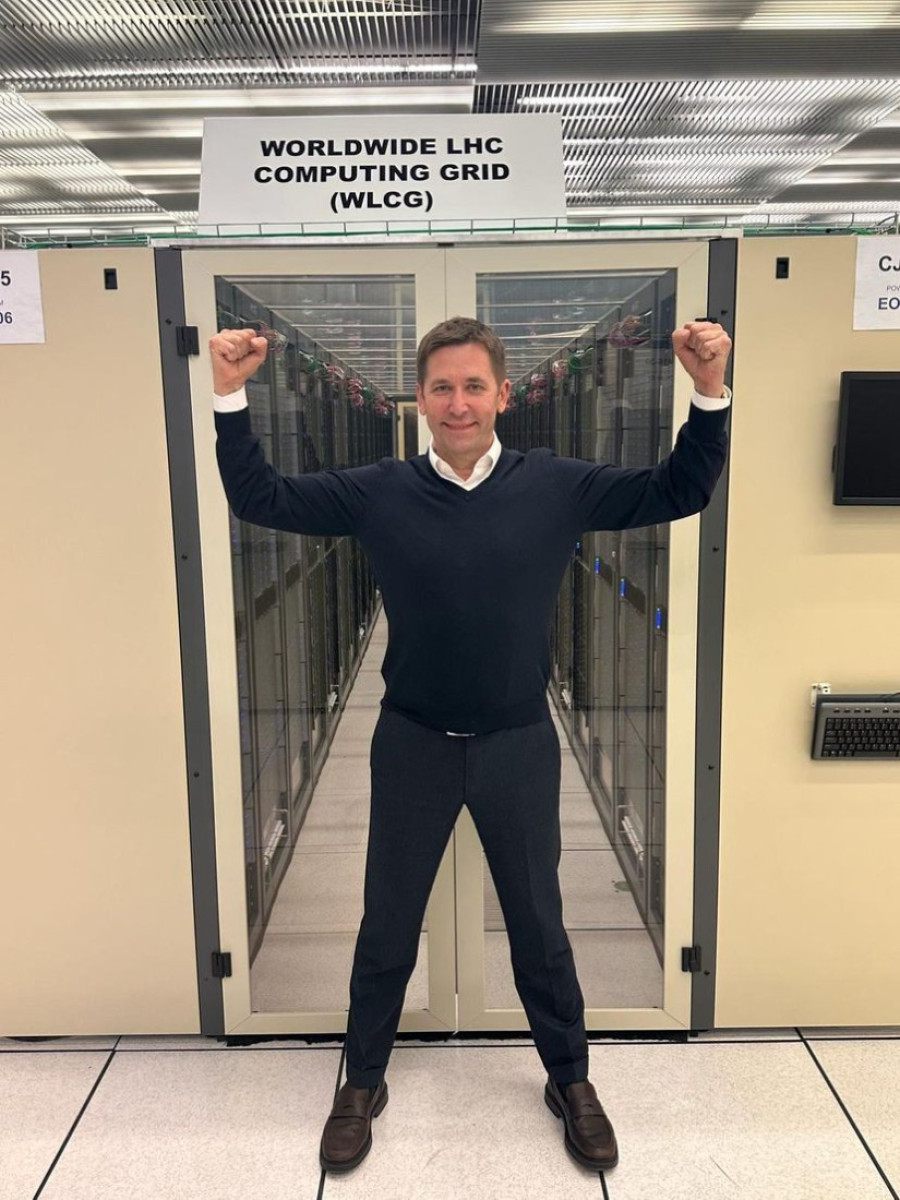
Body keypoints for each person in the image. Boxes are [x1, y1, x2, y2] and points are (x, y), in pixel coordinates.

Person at [210, 313, 732, 1176]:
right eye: (443, 387)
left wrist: (708, 392)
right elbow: (262, 498)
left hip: (516, 743)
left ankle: (569, 1079)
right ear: (420, 399)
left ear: (503, 395)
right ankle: (361, 1081)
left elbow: (677, 489)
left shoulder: (554, 485)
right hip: (412, 741)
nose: (459, 403)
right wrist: (229, 396)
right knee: (387, 923)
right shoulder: (379, 491)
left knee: (538, 925)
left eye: (474, 386)